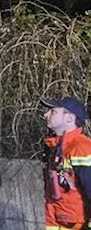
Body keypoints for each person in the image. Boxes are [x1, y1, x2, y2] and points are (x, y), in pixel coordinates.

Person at [40, 96, 91, 229]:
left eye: (53, 111)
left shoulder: (82, 148)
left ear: (70, 118)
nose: (46, 114)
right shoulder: (55, 147)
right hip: (56, 222)